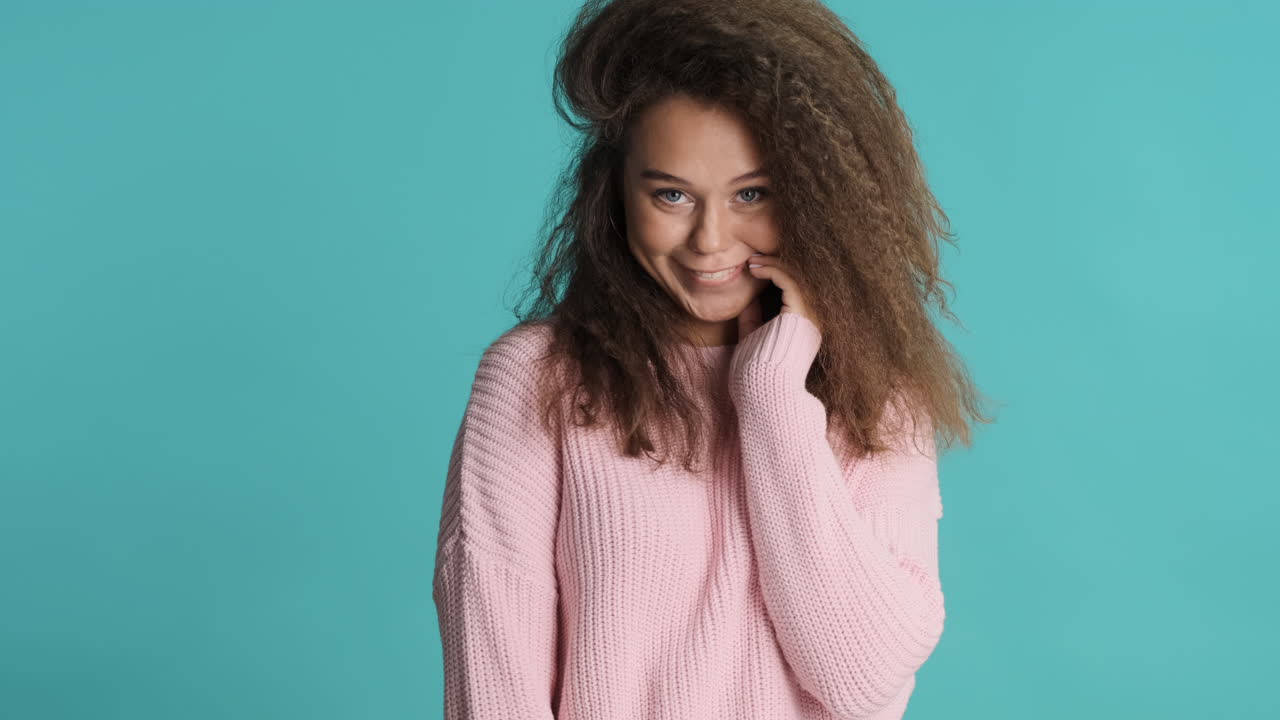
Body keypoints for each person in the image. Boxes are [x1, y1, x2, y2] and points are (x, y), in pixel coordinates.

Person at [432, 0, 992, 718]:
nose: (709, 241)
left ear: (819, 196)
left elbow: (863, 680)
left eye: (752, 194)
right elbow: (494, 689)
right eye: (671, 194)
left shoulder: (879, 397)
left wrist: (771, 397)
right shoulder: (538, 381)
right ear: (614, 192)